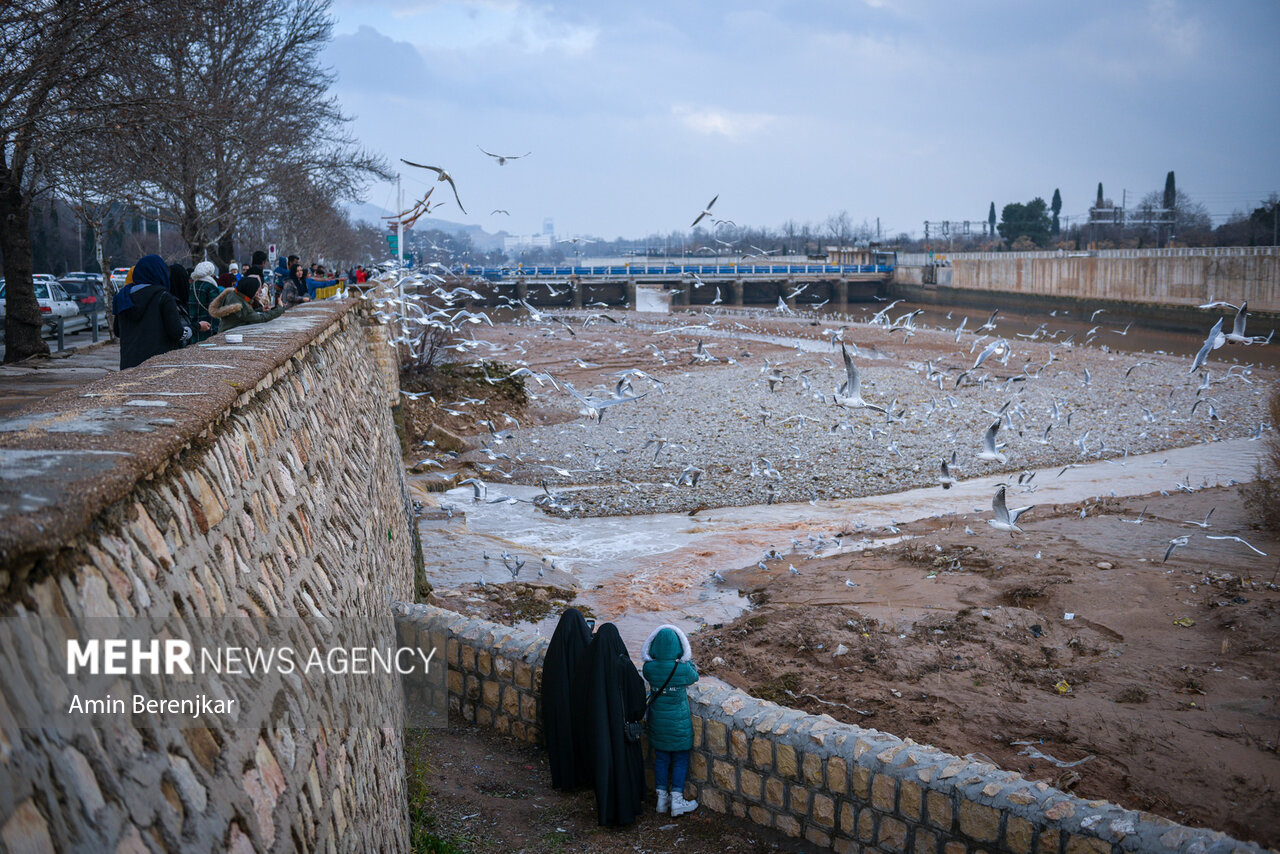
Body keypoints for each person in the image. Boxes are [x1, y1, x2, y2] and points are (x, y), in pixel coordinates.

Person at [580, 622, 646, 826]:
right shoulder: (623, 664)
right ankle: (625, 813)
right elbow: (638, 699)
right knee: (624, 771)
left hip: (597, 729)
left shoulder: (589, 662)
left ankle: (606, 812)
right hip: (621, 731)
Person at [641, 624, 700, 817]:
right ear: (679, 646)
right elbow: (694, 675)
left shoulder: (649, 668)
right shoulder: (681, 669)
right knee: (681, 760)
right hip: (679, 725)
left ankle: (661, 800)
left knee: (662, 759)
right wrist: (684, 659)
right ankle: (677, 801)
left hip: (658, 724)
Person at [112, 254, 196, 370]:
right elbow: (177, 333)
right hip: (157, 364)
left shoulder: (122, 297)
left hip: (128, 364)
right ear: (160, 272)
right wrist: (196, 327)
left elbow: (117, 331)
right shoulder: (163, 296)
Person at [541, 609, 594, 791]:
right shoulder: (584, 649)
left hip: (559, 709)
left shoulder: (555, 651)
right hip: (578, 710)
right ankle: (581, 779)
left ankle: (563, 780)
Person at [207, 267, 285, 332]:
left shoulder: (234, 295)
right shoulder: (239, 305)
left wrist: (260, 310)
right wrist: (279, 308)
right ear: (250, 291)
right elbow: (260, 318)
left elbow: (246, 315)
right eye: (256, 290)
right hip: (230, 334)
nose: (259, 292)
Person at [189, 261, 222, 342]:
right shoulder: (210, 287)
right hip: (209, 325)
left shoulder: (191, 286)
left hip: (194, 324)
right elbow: (216, 309)